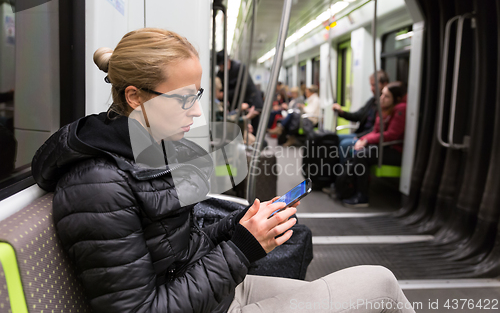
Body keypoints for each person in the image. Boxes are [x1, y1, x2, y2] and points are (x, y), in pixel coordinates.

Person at [32, 28, 414, 313]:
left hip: (210, 294)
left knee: (378, 284)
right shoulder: (99, 184)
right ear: (135, 97)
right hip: (205, 302)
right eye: (184, 99)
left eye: (196, 96)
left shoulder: (149, 150)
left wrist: (237, 226)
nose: (197, 112)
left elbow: (179, 247)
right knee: (378, 286)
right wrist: (242, 248)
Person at [341, 81, 407, 208]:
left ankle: (362, 196)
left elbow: (391, 135)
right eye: (382, 95)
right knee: (353, 149)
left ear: (396, 99)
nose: (382, 98)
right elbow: (376, 131)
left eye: (386, 96)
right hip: (384, 147)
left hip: (394, 150)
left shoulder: (400, 110)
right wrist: (363, 140)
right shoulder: (385, 109)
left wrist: (366, 141)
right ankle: (348, 186)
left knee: (361, 155)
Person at [332, 70, 389, 164]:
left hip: (369, 137)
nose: (371, 89)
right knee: (334, 138)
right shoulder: (372, 101)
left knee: (345, 144)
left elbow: (377, 129)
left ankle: (343, 175)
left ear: (384, 84)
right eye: (371, 85)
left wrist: (360, 137)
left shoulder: (385, 105)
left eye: (374, 85)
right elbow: (358, 115)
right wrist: (341, 112)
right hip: (362, 134)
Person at [216, 50, 263, 132]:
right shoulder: (220, 73)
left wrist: (224, 95)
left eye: (223, 64)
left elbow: (243, 88)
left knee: (254, 128)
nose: (221, 67)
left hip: (251, 100)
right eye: (220, 65)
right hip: (237, 104)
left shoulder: (240, 68)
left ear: (228, 60)